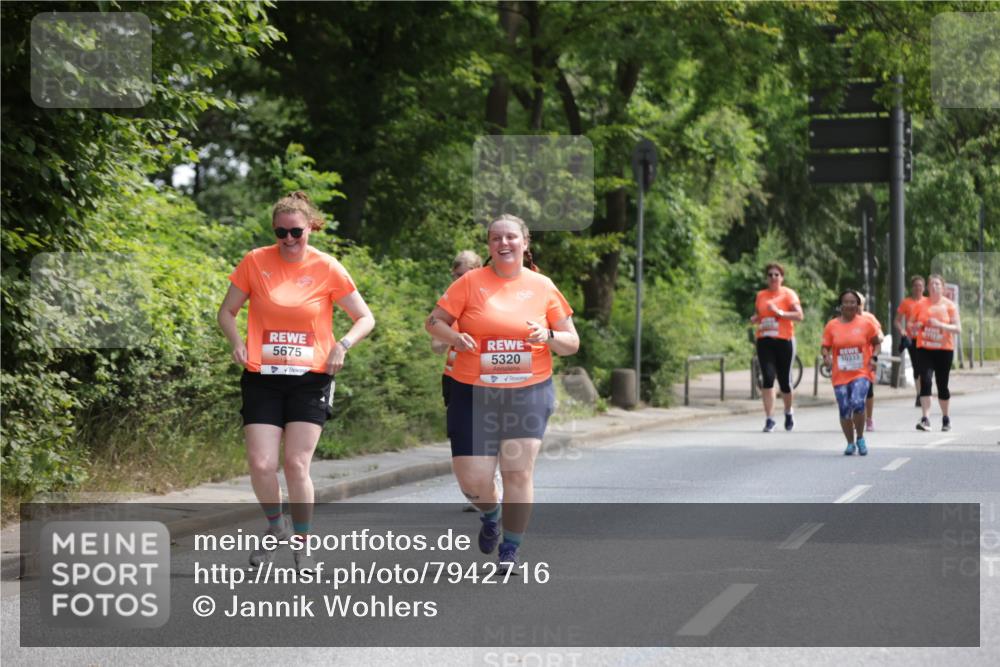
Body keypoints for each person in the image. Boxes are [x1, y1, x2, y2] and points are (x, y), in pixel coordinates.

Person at [218, 191, 375, 571]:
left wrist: (342, 345)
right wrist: (237, 342)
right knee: (260, 463)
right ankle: (276, 527)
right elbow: (227, 311)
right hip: (263, 376)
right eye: (280, 232)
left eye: (296, 232)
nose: (288, 240)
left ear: (310, 229)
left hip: (311, 378)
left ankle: (303, 545)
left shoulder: (327, 267)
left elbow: (365, 317)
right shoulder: (255, 261)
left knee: (295, 463)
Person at [424, 214, 579, 572]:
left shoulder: (542, 286)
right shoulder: (470, 282)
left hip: (528, 390)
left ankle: (510, 548)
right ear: (489, 245)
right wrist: (455, 337)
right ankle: (491, 514)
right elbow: (433, 322)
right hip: (472, 390)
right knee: (473, 479)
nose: (503, 243)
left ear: (525, 243)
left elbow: (571, 342)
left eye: (511, 237)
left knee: (517, 472)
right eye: (496, 238)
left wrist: (548, 336)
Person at [429, 250, 492, 513]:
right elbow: (436, 346)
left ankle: (492, 487)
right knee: (464, 434)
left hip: (485, 377)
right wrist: (454, 335)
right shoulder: (451, 303)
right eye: (456, 275)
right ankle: (476, 489)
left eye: (465, 275)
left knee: (488, 433)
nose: (460, 280)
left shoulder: (486, 301)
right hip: (454, 378)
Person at [821, 289, 883, 456]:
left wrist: (874, 357)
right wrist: (826, 357)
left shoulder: (866, 323)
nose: (849, 305)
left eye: (852, 302)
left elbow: (877, 344)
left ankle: (860, 438)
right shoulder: (832, 326)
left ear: (857, 305)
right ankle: (850, 442)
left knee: (857, 402)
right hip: (840, 374)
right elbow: (825, 347)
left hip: (861, 372)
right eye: (846, 302)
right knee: (844, 409)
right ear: (841, 305)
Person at [750, 263, 803, 432]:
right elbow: (760, 314)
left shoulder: (788, 294)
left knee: (785, 381)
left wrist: (779, 312)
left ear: (782, 278)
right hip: (764, 340)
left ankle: (788, 412)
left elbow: (799, 315)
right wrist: (756, 318)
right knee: (767, 377)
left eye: (776, 274)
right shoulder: (761, 295)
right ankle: (770, 419)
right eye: (770, 275)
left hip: (784, 340)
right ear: (767, 278)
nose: (773, 277)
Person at [913, 274, 961, 432]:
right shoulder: (921, 304)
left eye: (937, 284)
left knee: (942, 385)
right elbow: (912, 325)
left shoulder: (949, 305)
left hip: (944, 350)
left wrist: (940, 325)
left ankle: (946, 418)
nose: (934, 287)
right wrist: (916, 326)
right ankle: (925, 419)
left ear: (943, 288)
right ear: (927, 287)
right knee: (925, 380)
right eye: (931, 284)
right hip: (924, 348)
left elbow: (957, 328)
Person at [894, 275, 927, 407]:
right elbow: (897, 321)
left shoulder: (928, 302)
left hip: (927, 339)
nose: (918, 288)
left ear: (924, 288)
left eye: (920, 286)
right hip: (912, 339)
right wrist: (902, 330)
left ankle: (925, 392)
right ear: (912, 288)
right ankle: (919, 395)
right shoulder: (906, 303)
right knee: (917, 367)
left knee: (926, 367)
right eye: (916, 286)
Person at [857, 293, 883, 432]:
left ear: (863, 305)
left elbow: (880, 335)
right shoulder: (845, 319)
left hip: (868, 358)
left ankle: (869, 418)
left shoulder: (869, 318)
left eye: (859, 304)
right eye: (854, 303)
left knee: (868, 390)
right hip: (851, 359)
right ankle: (855, 417)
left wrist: (877, 338)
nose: (857, 307)